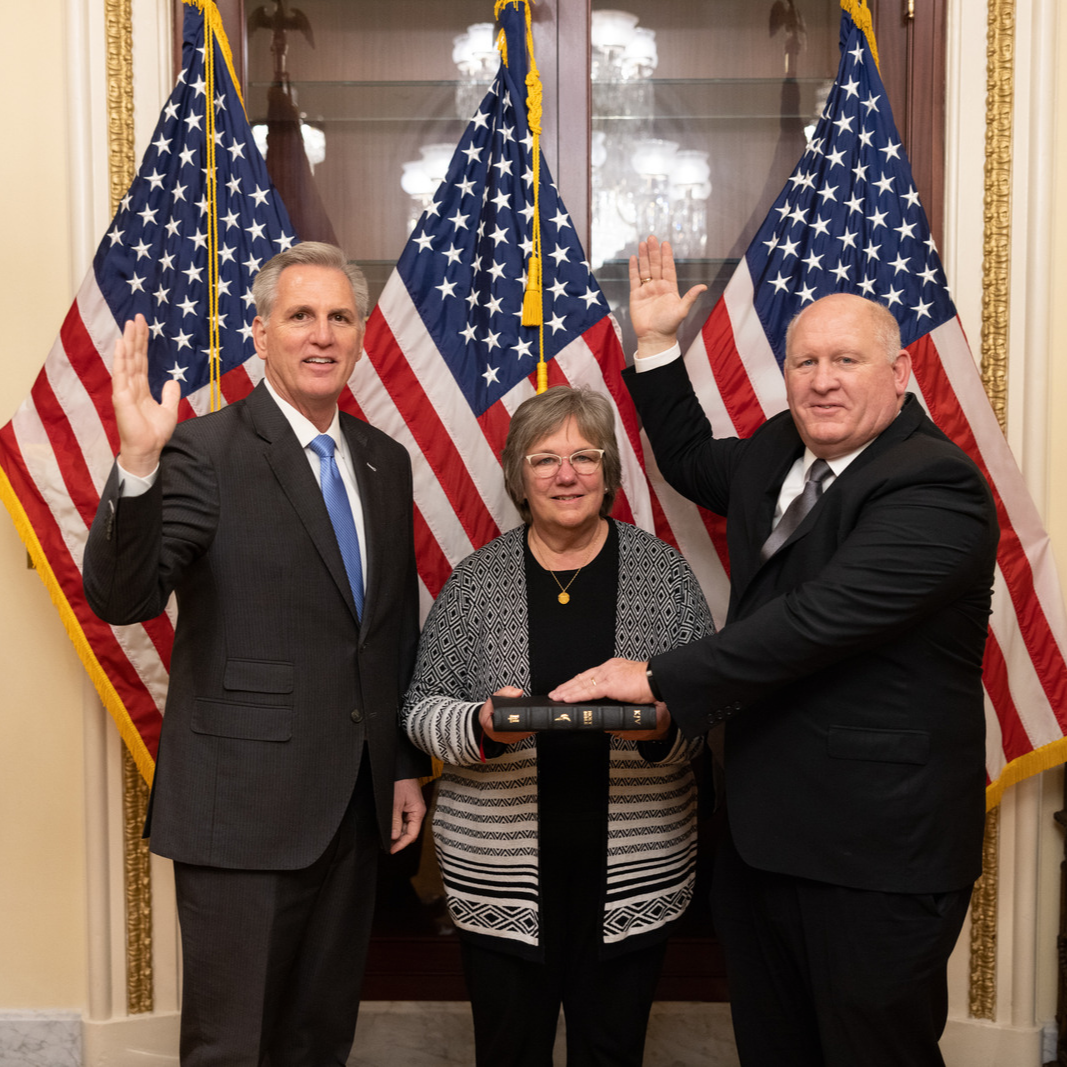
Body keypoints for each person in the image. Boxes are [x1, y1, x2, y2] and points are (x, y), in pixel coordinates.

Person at [550, 236, 999, 1067]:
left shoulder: (935, 486)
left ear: (898, 373)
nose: (820, 379)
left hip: (874, 855)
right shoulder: (774, 453)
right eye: (804, 362)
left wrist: (654, 673)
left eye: (844, 360)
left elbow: (817, 620)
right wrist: (654, 345)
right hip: (762, 843)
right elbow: (687, 456)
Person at [83, 242, 428, 1066]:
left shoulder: (386, 462)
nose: (322, 334)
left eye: (339, 316)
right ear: (260, 333)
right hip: (238, 813)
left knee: (317, 1039)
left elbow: (384, 630)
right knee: (233, 1046)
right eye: (300, 315)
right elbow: (123, 597)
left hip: (353, 803)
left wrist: (403, 761)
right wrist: (137, 465)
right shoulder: (202, 449)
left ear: (361, 334)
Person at [402, 385, 714, 1067]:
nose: (566, 474)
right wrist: (481, 726)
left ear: (607, 472)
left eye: (583, 456)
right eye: (544, 459)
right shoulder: (475, 581)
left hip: (634, 871)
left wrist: (662, 726)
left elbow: (707, 707)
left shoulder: (663, 575)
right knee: (509, 1052)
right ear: (518, 475)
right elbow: (422, 706)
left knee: (612, 1051)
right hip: (500, 872)